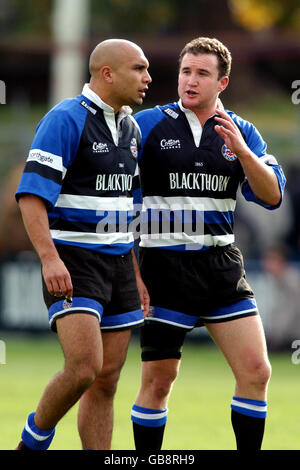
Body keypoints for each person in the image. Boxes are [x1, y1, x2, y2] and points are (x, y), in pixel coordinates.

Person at [130, 37, 286, 451]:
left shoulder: (242, 130)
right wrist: (134, 274)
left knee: (257, 370)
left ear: (223, 82)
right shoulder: (147, 125)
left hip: (220, 266)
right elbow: (117, 200)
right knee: (158, 381)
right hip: (162, 265)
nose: (191, 81)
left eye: (202, 74)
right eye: (186, 71)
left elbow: (271, 196)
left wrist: (243, 153)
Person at [14, 38, 151, 450]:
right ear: (107, 73)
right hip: (73, 260)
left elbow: (131, 208)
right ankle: (32, 442)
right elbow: (32, 197)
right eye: (138, 68)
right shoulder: (64, 118)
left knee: (107, 381)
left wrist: (138, 275)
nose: (147, 78)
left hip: (120, 264)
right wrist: (49, 259)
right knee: (84, 368)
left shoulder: (132, 128)